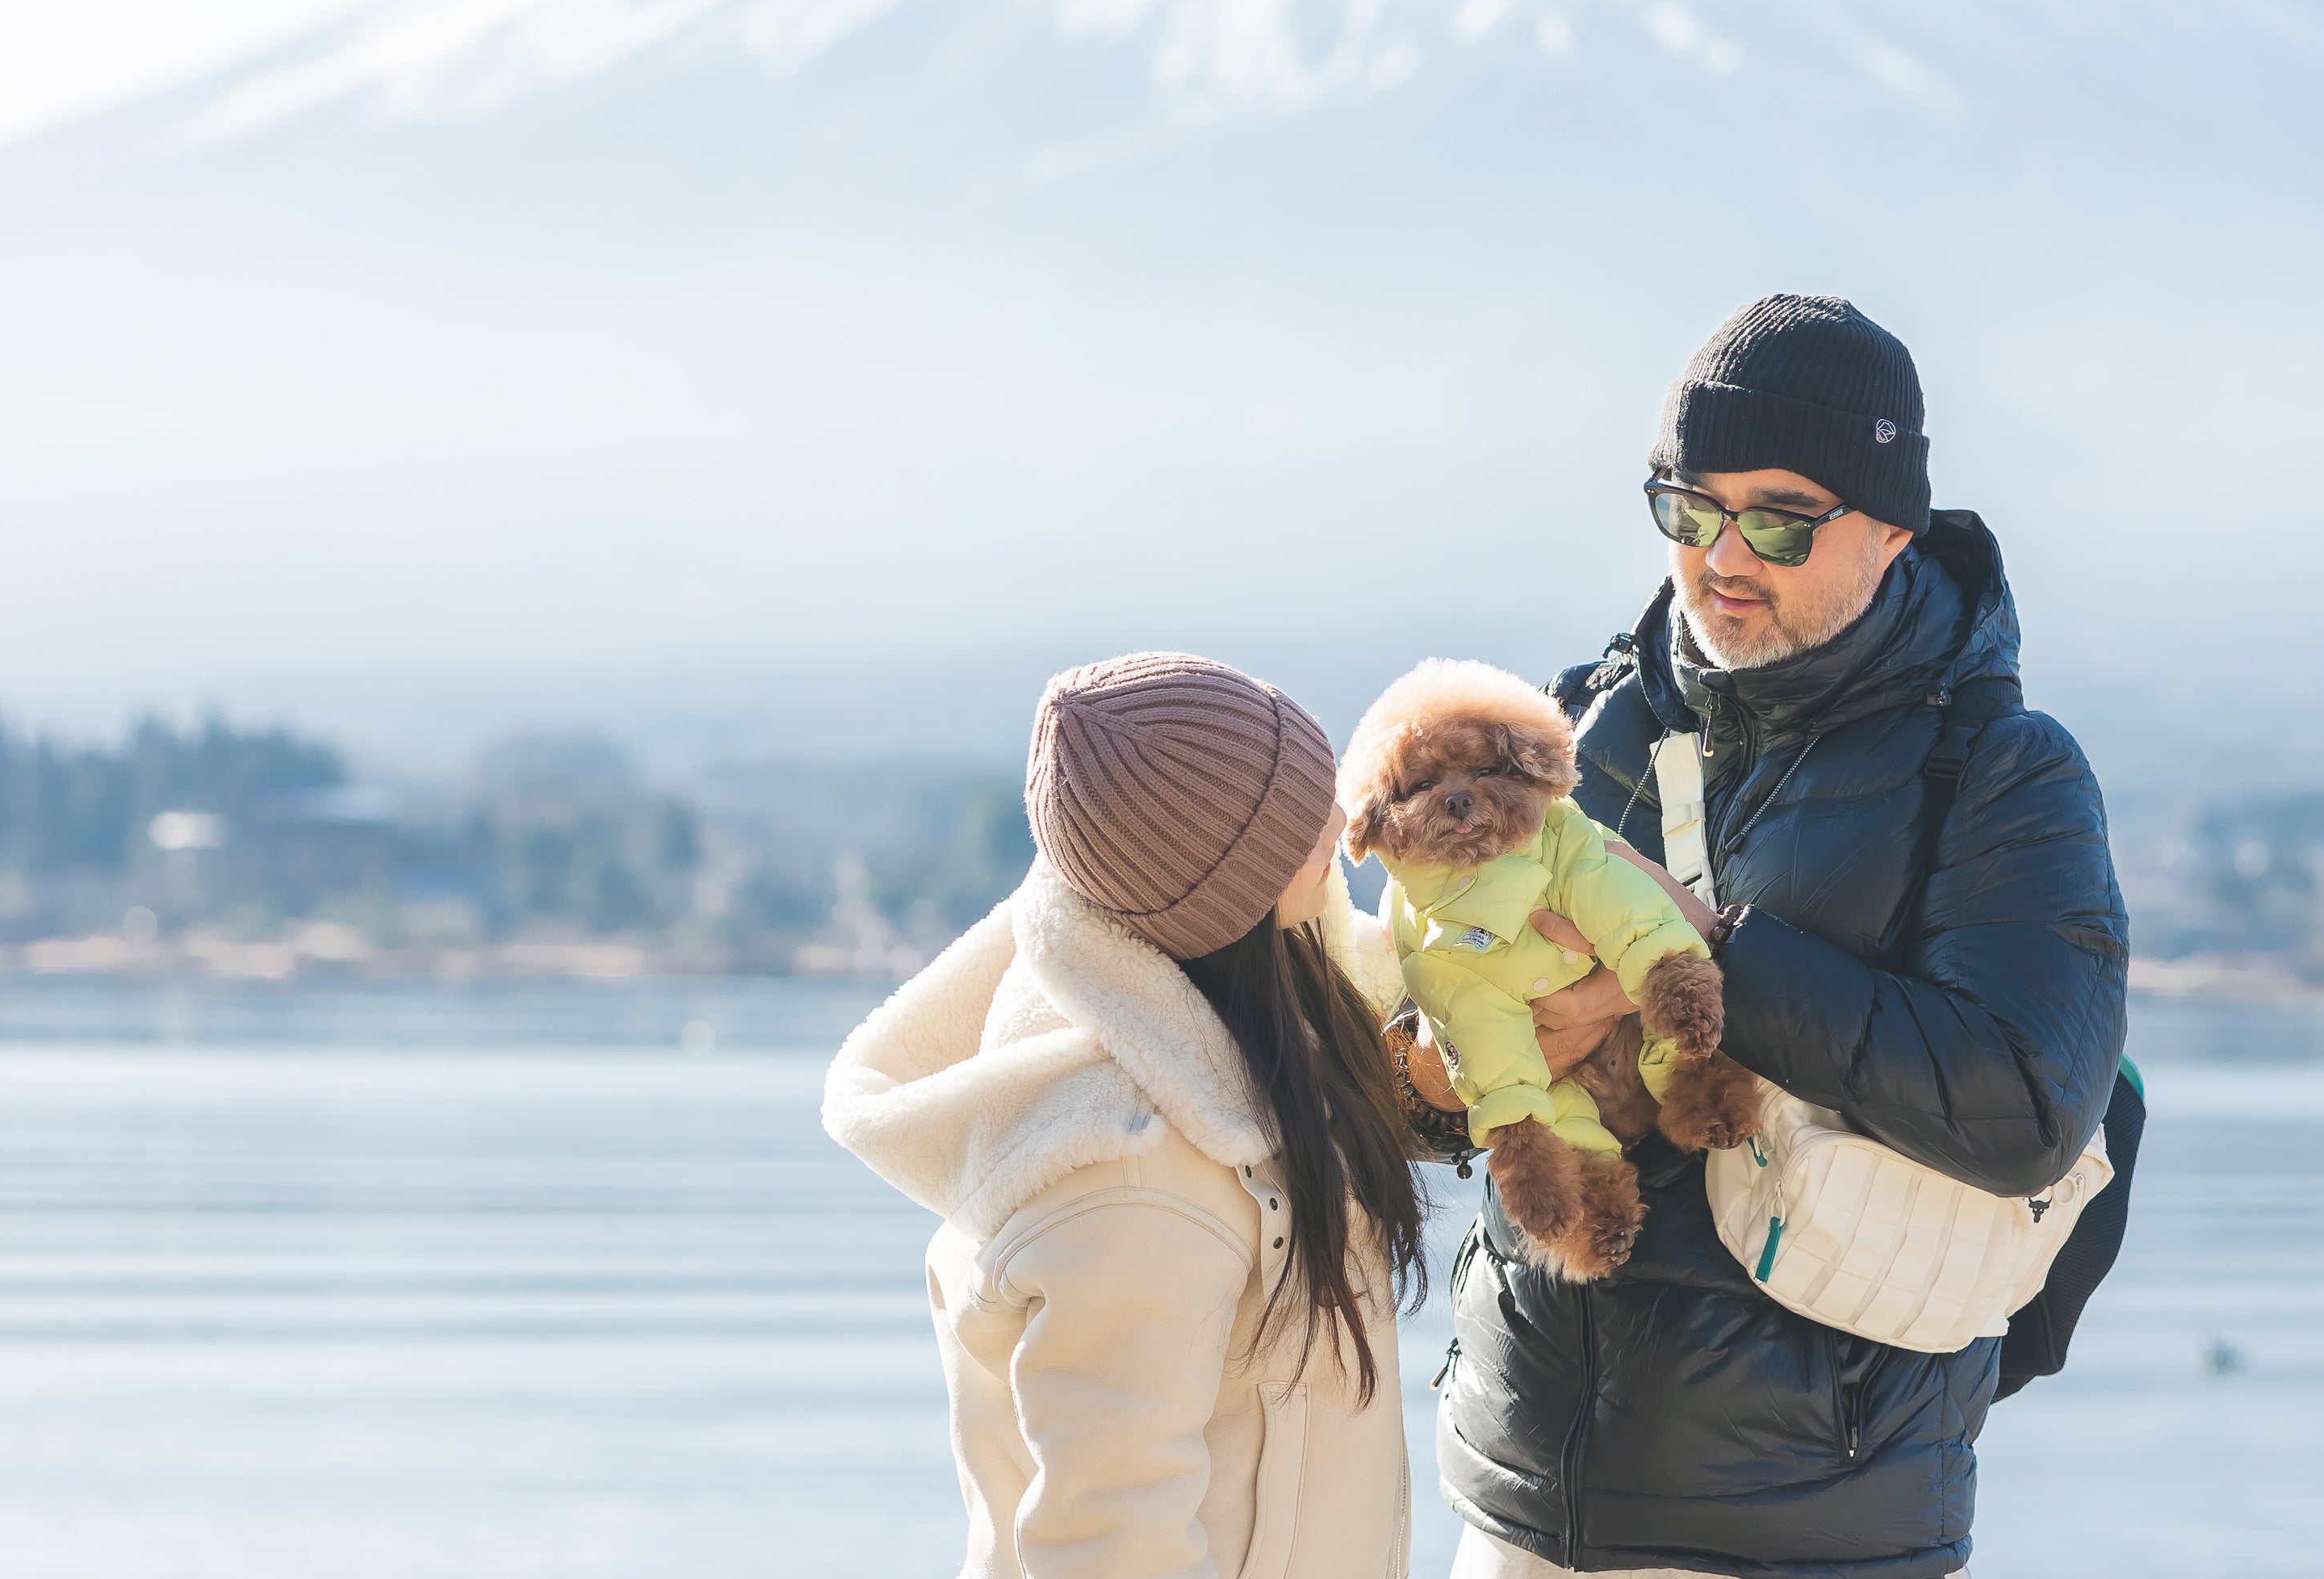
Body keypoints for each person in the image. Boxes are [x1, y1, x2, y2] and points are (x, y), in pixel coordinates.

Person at [1437, 295, 2142, 1579]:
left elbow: (2025, 1108)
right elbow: (1432, 1070)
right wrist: (1443, 1058)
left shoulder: (2001, 771)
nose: (1722, 557)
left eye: (1777, 519)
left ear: (1893, 527)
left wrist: (1700, 958)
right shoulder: (1570, 729)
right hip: (1518, 1504)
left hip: (1808, 1533)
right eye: (1687, 509)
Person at [826, 651, 1429, 1579]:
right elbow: (1108, 1546)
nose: (1339, 821)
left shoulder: (1237, 1024)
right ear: (1221, 896)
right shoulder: (1130, 1175)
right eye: (1299, 817)